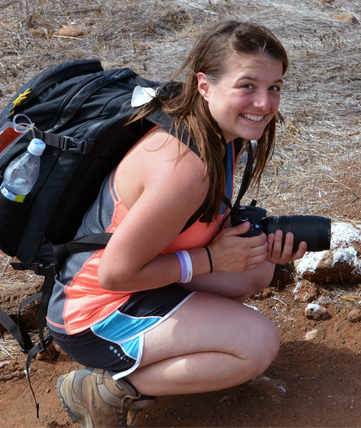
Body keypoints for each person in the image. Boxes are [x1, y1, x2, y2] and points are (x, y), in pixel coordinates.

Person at [47, 20, 306, 428]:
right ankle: (104, 391)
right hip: (94, 313)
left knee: (257, 268)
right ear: (204, 86)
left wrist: (247, 248)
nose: (264, 103)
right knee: (256, 346)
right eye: (248, 86)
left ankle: (179, 337)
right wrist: (209, 258)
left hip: (140, 279)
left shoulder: (223, 136)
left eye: (273, 87)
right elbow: (115, 274)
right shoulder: (183, 168)